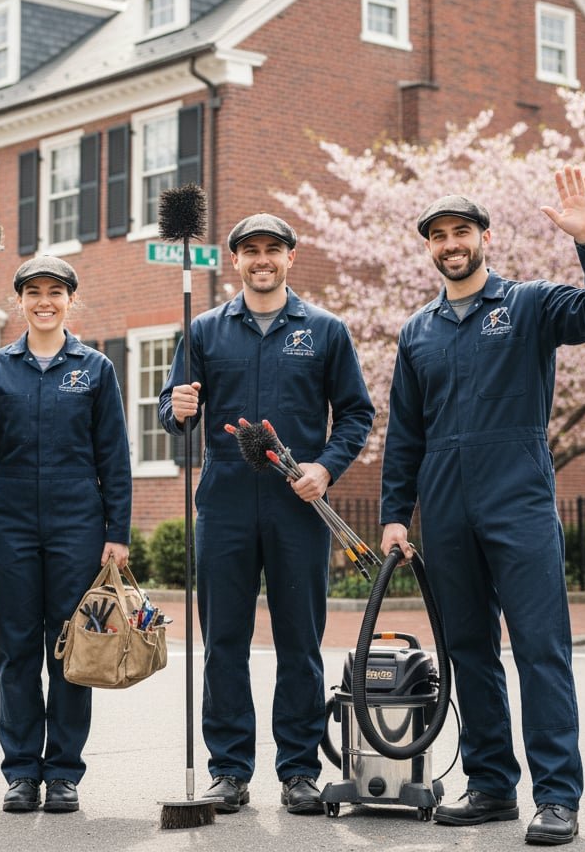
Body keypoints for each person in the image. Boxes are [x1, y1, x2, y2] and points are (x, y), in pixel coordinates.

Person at [380, 169, 585, 846]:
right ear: (430, 249)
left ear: (484, 238)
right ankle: (491, 784)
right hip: (446, 504)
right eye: (439, 236)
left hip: (516, 501)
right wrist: (395, 513)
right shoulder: (417, 332)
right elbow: (405, 430)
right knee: (467, 648)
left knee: (541, 649)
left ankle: (556, 796)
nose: (451, 243)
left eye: (461, 231)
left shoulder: (528, 305)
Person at [158, 213, 374, 815]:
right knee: (223, 641)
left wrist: (325, 469)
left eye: (272, 250)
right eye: (250, 250)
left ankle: (299, 769)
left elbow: (356, 413)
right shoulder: (203, 331)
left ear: (290, 257)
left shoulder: (326, 331)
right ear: (235, 261)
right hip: (224, 506)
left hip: (297, 508)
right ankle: (228, 769)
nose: (261, 259)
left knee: (298, 643)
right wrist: (175, 408)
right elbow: (175, 414)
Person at [0, 255, 131, 815]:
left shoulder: (96, 368)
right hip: (9, 518)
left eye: (55, 291)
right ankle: (20, 772)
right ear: (20, 301)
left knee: (72, 647)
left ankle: (62, 772)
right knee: (14, 648)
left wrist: (117, 532)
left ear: (70, 300)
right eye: (33, 292)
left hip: (77, 521)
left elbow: (115, 457)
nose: (44, 301)